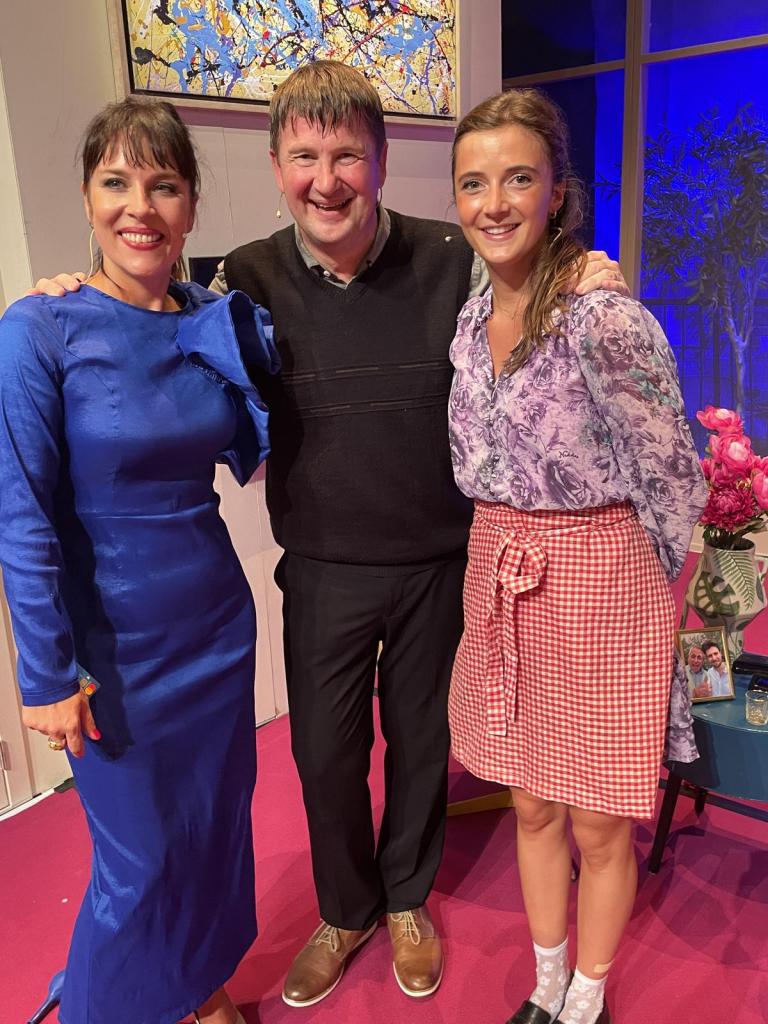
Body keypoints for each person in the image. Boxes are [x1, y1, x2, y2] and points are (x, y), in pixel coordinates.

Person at [30, 61, 628, 1008]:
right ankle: (345, 911)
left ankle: (406, 900)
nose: (326, 180)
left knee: (422, 748)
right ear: (276, 168)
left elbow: (526, 271)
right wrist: (64, 287)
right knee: (324, 757)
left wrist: (582, 266)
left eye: (347, 155)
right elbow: (138, 299)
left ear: (380, 162)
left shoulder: (452, 258)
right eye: (304, 158)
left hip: (440, 562)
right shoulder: (240, 281)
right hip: (318, 567)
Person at [0, 98, 278, 1024]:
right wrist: (45, 674)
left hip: (214, 625)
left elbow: (264, 429)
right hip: (112, 653)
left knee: (211, 830)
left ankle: (197, 987)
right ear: (86, 197)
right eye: (116, 182)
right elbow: (21, 513)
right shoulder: (39, 329)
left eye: (163, 186)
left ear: (191, 205)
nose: (140, 207)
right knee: (140, 859)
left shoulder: (210, 320)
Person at [446, 89, 707, 1024]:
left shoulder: (602, 316)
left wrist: (656, 594)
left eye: (518, 178)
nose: (494, 203)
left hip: (601, 582)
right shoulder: (471, 319)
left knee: (598, 816)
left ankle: (587, 998)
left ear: (557, 191)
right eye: (473, 183)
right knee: (530, 804)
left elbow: (674, 473)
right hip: (500, 572)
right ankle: (547, 979)